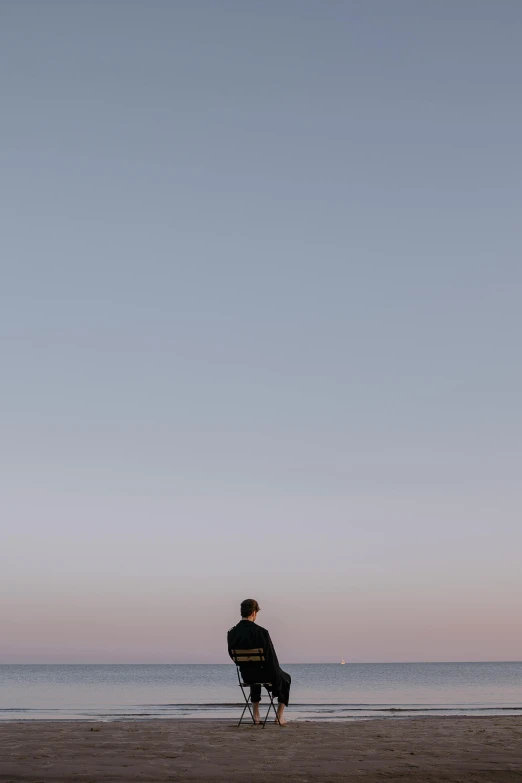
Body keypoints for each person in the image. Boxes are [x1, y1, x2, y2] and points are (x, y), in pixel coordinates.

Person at [227, 598, 291, 725]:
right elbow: (271, 658)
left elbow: (233, 656)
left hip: (246, 675)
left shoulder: (232, 633)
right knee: (285, 678)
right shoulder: (261, 632)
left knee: (254, 675)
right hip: (264, 674)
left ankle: (256, 715)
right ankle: (279, 717)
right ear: (254, 613)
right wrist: (276, 682)